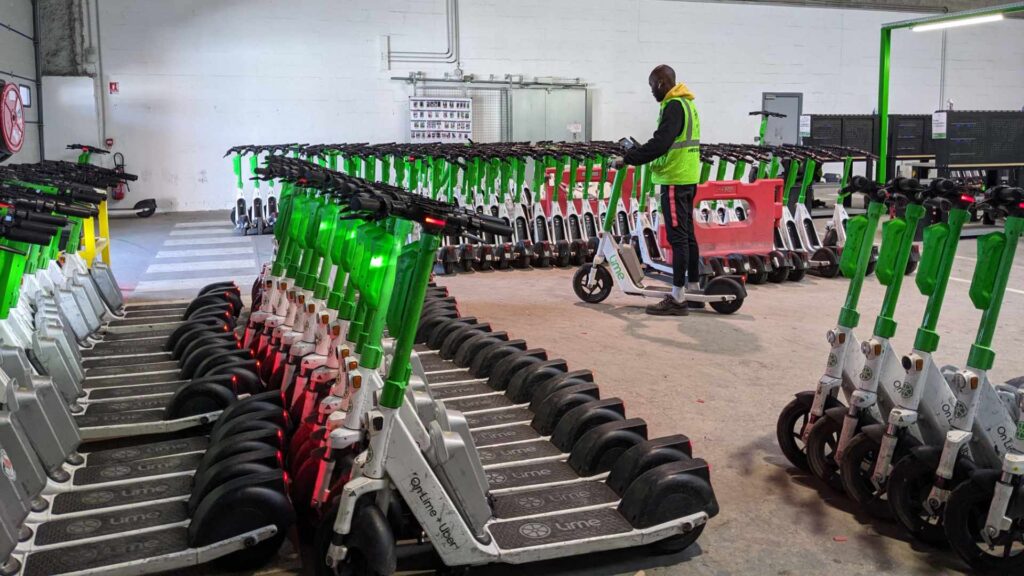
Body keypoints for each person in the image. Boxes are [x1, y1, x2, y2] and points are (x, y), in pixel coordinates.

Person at [611, 64, 702, 316]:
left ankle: (678, 297)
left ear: (662, 83)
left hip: (675, 178)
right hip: (687, 176)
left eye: (652, 86)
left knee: (678, 238)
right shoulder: (687, 103)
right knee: (688, 235)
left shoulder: (673, 105)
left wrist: (629, 158)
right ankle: (693, 288)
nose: (652, 92)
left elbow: (661, 142)